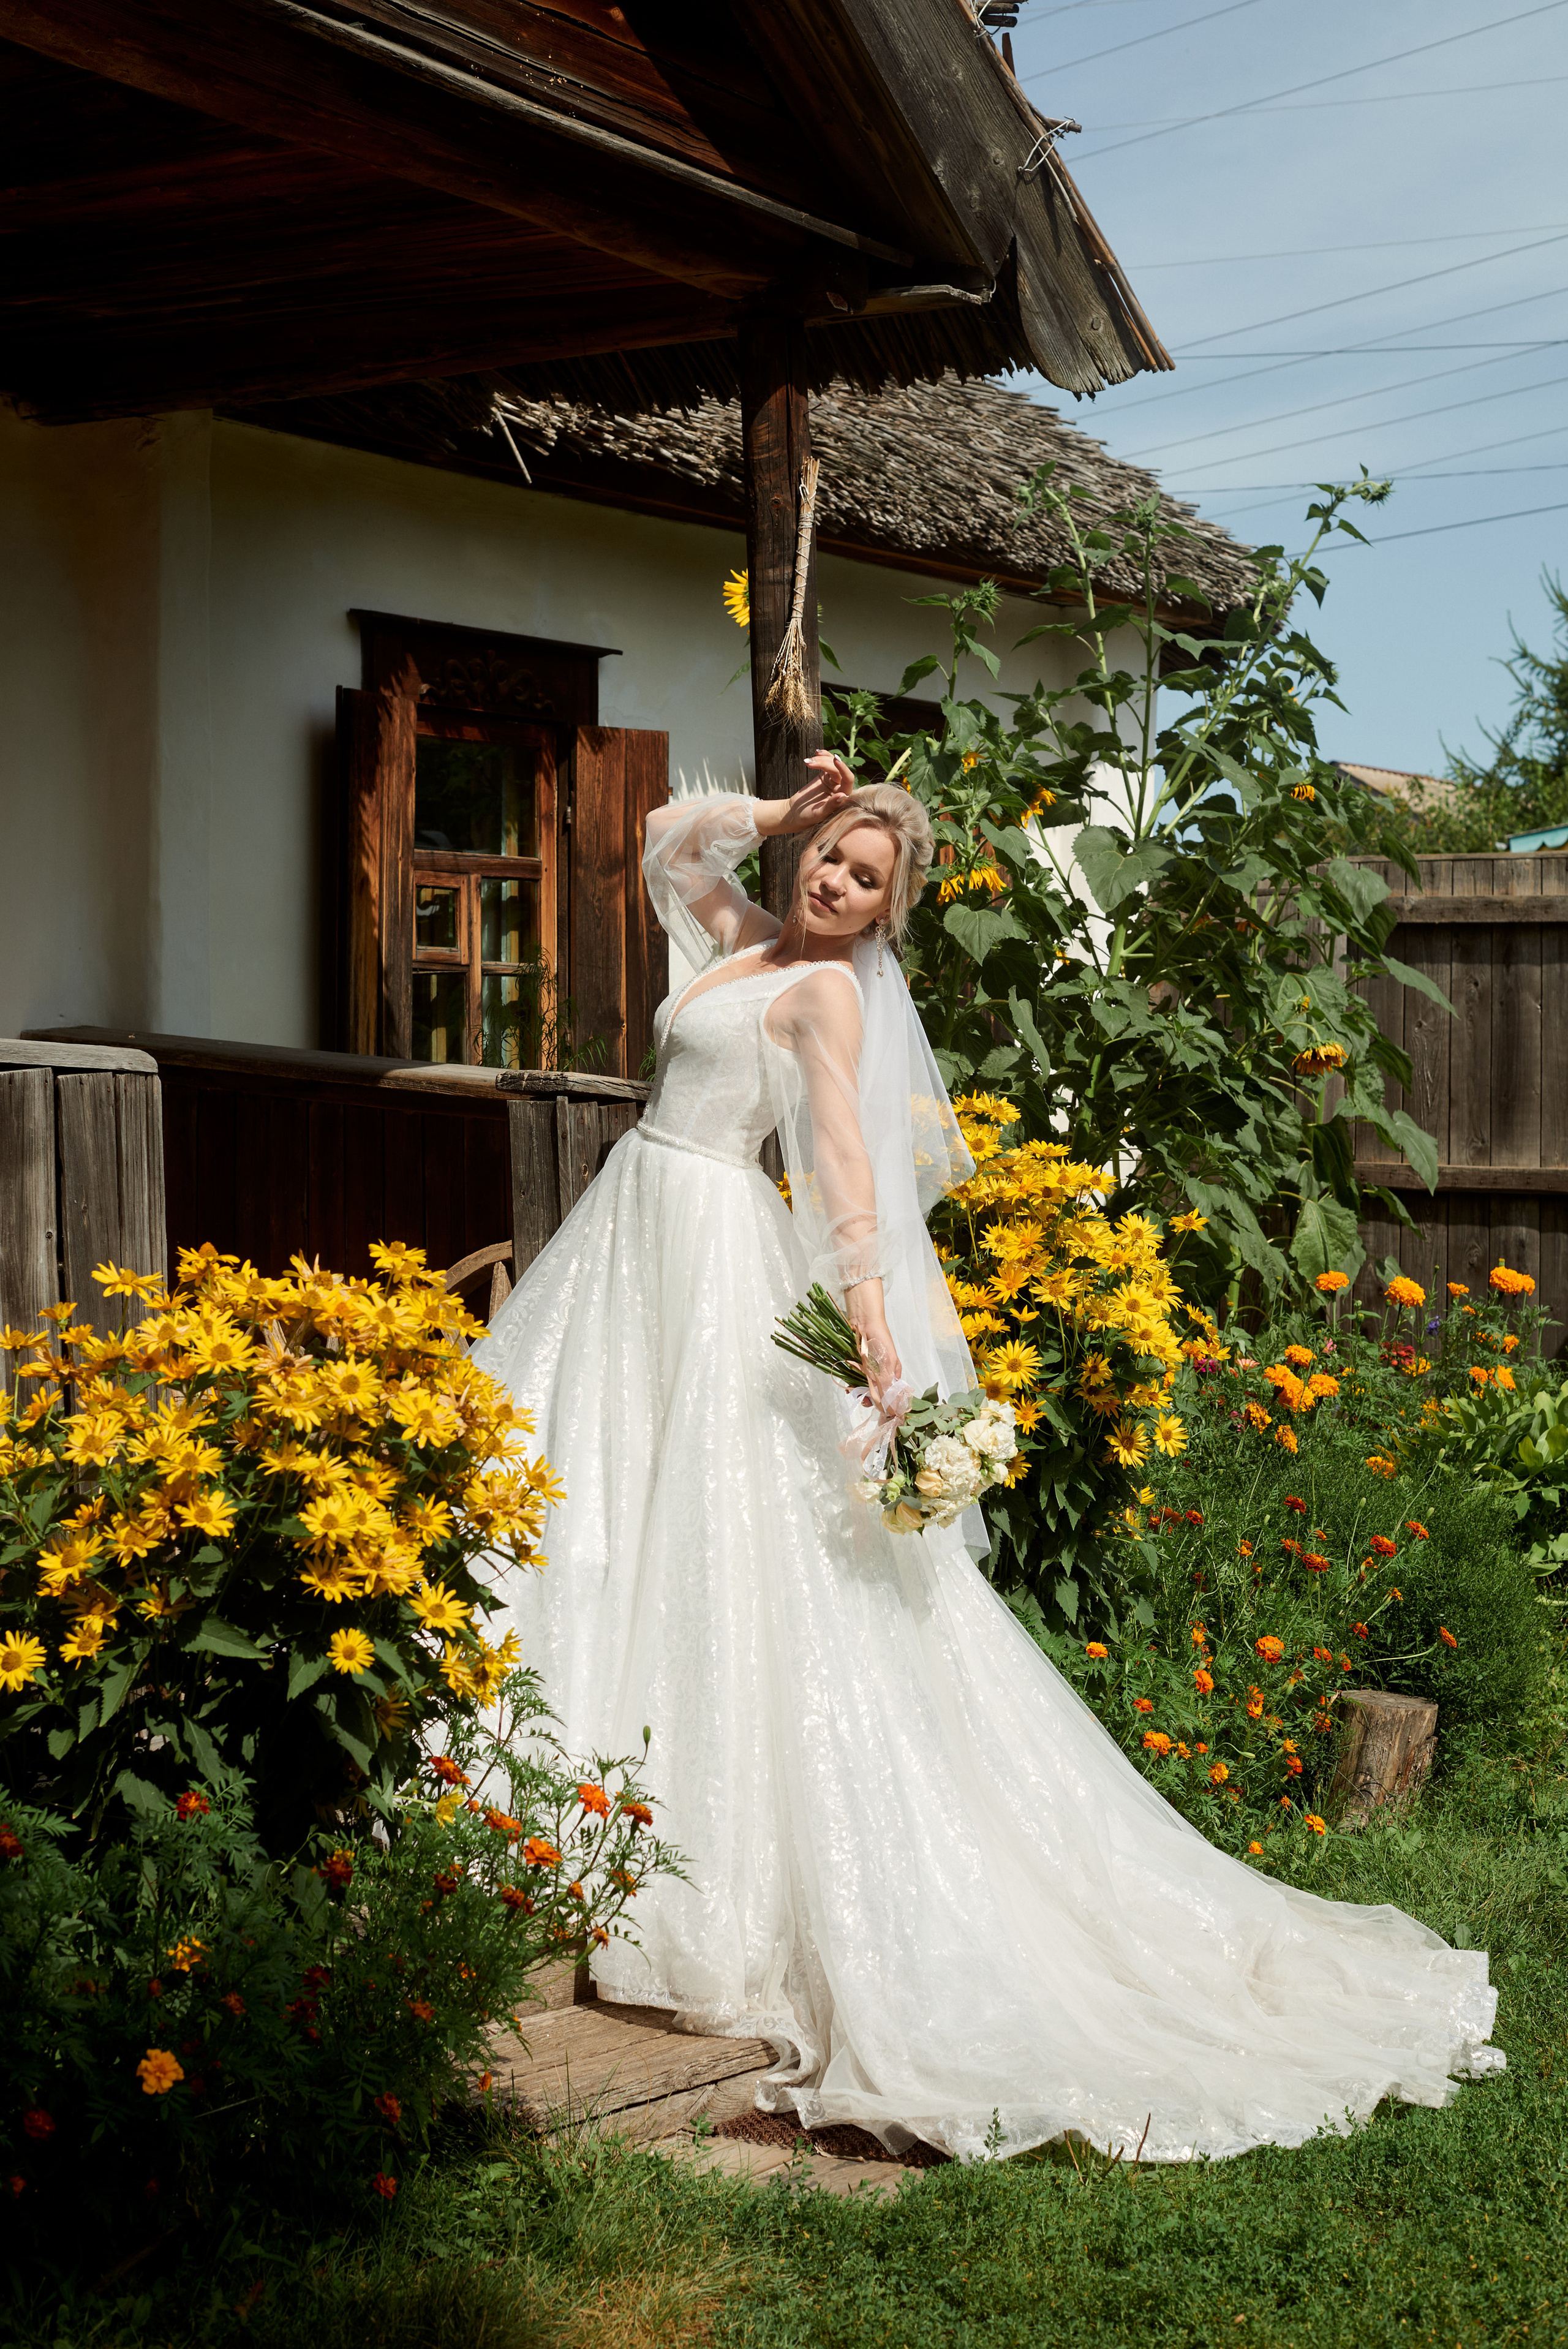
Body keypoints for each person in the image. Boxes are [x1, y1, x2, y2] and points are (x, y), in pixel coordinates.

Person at [475, 753, 1501, 2165]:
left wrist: (874, 1340)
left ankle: (675, 1867)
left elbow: (843, 1172)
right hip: (629, 1241)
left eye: (863, 878)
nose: (834, 883)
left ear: (889, 913)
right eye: (829, 858)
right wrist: (778, 812)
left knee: (719, 1536)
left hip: (714, 1248)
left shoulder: (820, 991)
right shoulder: (739, 938)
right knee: (596, 1506)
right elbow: (658, 846)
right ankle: (559, 1812)